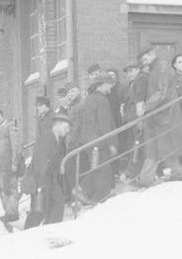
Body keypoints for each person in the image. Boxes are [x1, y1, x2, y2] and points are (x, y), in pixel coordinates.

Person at [136, 48, 182, 186]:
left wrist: (145, 107)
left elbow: (162, 92)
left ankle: (177, 176)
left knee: (166, 150)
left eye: (145, 59)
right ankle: (147, 179)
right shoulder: (154, 69)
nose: (144, 62)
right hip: (159, 115)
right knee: (160, 150)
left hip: (165, 116)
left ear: (152, 54)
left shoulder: (162, 67)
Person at [23, 114, 70, 229]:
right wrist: (41, 186)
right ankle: (26, 235)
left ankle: (50, 230)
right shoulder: (47, 137)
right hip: (41, 180)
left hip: (51, 179)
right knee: (39, 210)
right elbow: (40, 163)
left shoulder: (58, 140)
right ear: (57, 124)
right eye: (66, 127)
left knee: (58, 203)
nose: (67, 131)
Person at [77, 73, 118, 203]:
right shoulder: (102, 100)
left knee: (97, 167)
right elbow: (104, 124)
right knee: (103, 172)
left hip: (89, 140)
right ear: (103, 84)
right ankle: (99, 199)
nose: (111, 86)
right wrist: (111, 143)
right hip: (99, 141)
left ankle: (82, 190)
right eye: (110, 83)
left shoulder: (89, 99)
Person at [0, 110, 23, 230]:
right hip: (1, 167)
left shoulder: (9, 128)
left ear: (3, 117)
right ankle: (8, 213)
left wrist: (15, 163)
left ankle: (13, 214)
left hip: (9, 165)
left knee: (11, 190)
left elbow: (16, 146)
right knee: (3, 190)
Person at [121, 63, 148, 179]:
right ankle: (134, 172)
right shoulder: (131, 83)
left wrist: (140, 119)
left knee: (138, 145)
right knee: (135, 144)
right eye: (127, 72)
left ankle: (133, 172)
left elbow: (140, 100)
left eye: (132, 70)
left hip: (139, 119)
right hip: (132, 119)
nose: (129, 74)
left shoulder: (141, 79)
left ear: (138, 69)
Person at [63, 81, 83, 200]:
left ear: (79, 91)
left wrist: (69, 142)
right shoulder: (71, 106)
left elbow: (76, 126)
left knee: (75, 171)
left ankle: (78, 197)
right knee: (70, 171)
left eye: (73, 91)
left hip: (76, 143)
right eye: (69, 92)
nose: (70, 94)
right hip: (72, 142)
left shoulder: (79, 105)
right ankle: (74, 196)